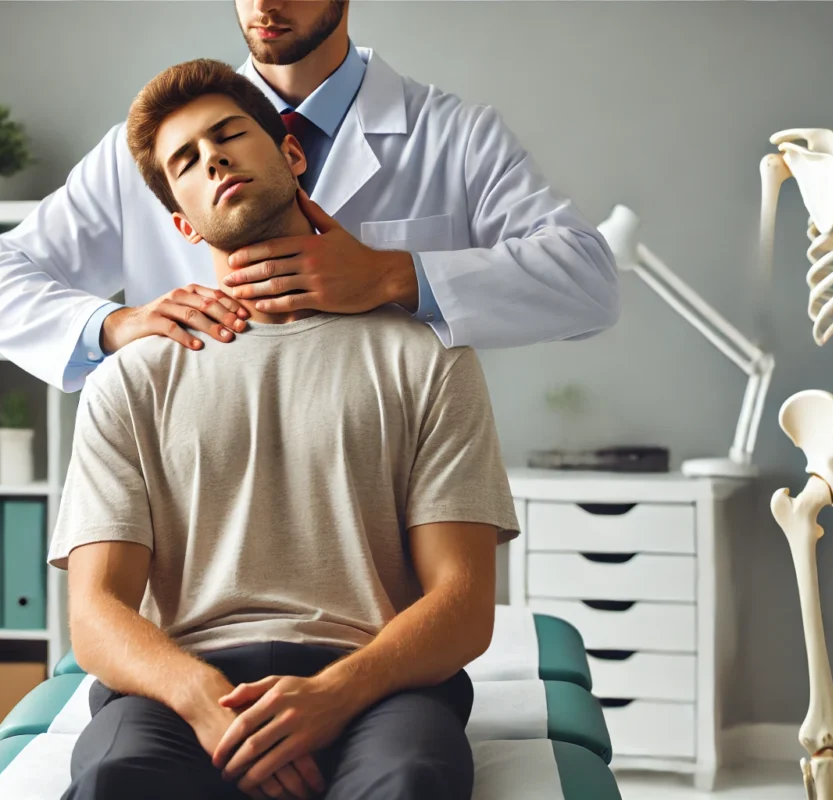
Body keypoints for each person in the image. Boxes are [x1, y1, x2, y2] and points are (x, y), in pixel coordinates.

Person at [53, 59, 521, 800]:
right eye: (186, 161)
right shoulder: (130, 382)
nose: (212, 159)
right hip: (185, 689)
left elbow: (462, 604)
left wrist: (332, 697)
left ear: (292, 155)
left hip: (377, 684)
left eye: (228, 134)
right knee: (118, 780)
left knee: (413, 780)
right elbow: (96, 611)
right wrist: (207, 703)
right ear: (181, 219)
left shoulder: (426, 362)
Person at [0, 0, 619, 394]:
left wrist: (396, 273)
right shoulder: (148, 154)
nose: (266, 3)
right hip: (206, 501)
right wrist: (113, 325)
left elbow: (589, 282)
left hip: (387, 505)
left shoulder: (455, 136)